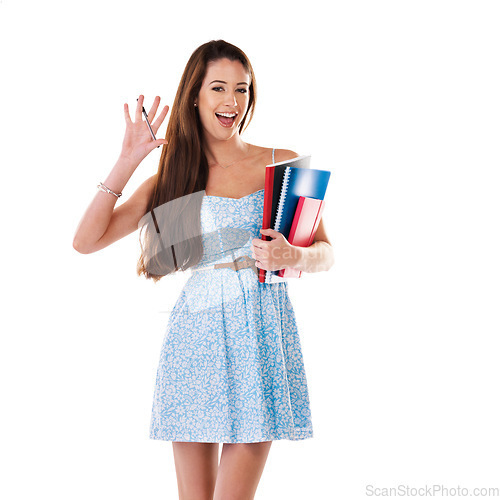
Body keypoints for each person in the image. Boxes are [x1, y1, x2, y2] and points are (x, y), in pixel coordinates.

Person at [73, 39, 334, 500]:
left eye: (242, 89)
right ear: (196, 94)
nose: (232, 102)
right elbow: (87, 241)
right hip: (195, 343)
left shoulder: (281, 162)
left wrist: (292, 256)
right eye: (219, 88)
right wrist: (128, 160)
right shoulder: (176, 174)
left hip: (259, 337)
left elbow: (326, 251)